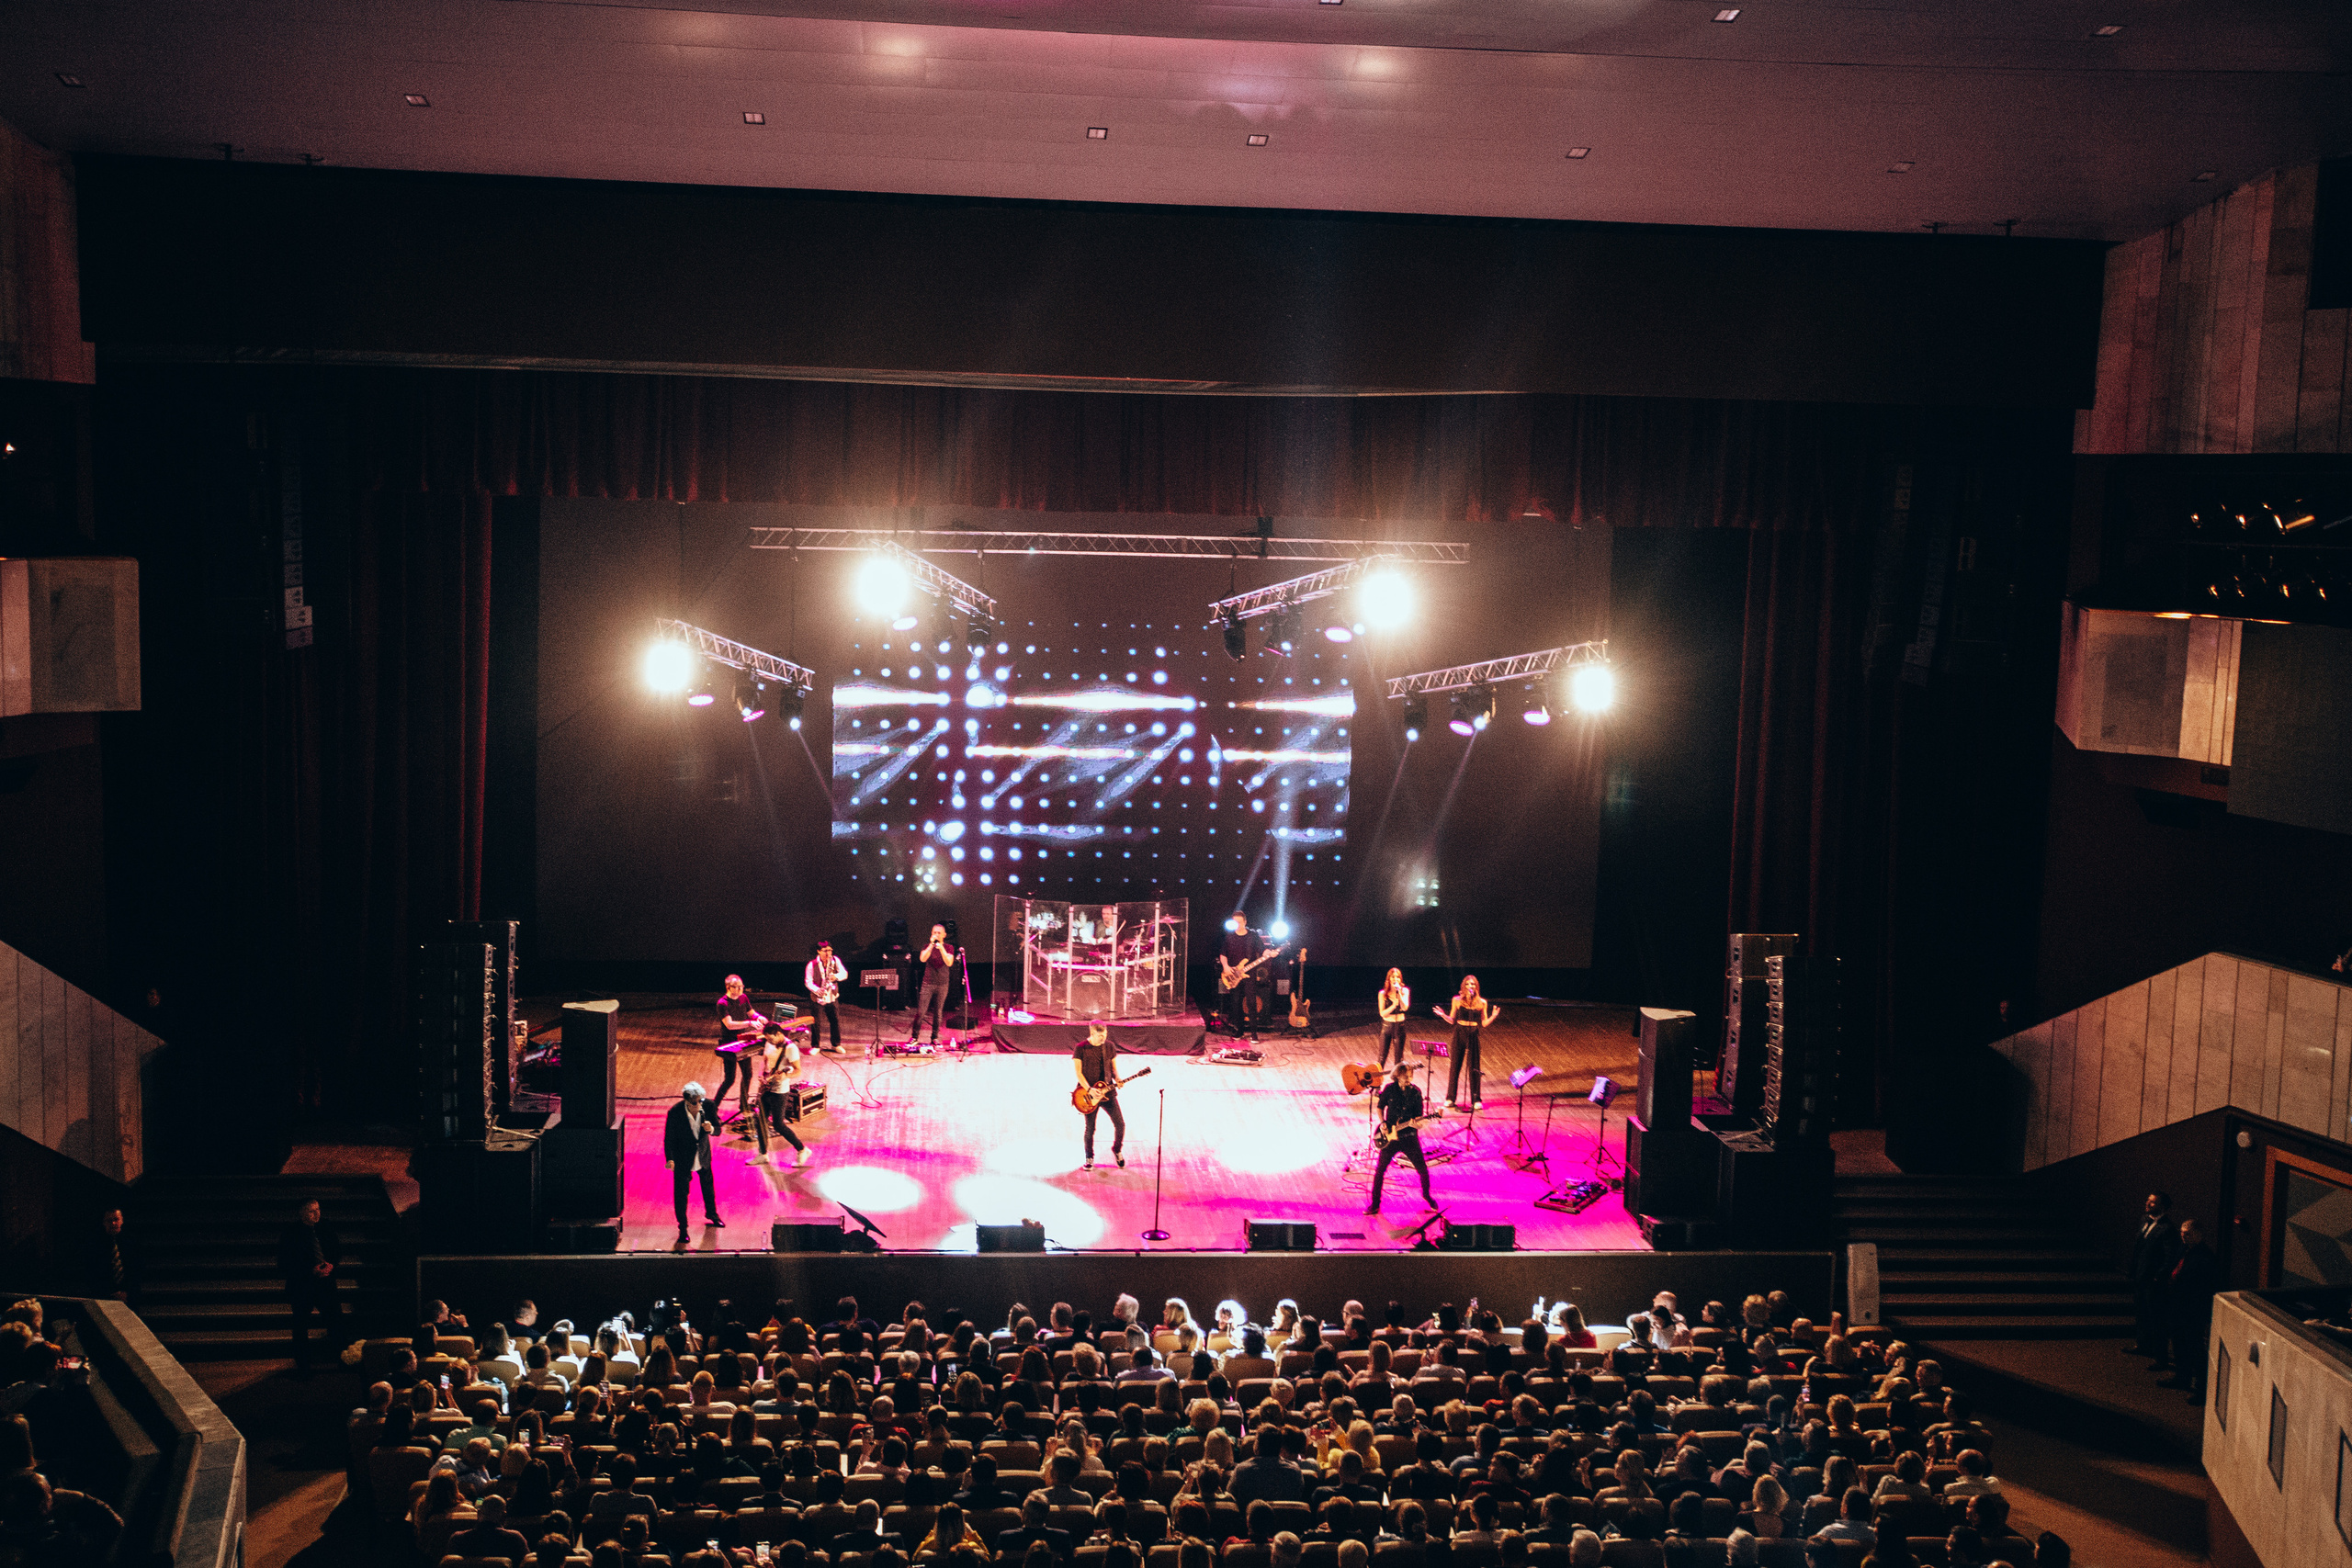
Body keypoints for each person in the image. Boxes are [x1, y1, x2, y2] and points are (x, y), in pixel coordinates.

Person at [275, 1198, 343, 1377]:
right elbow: (284, 1262)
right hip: (302, 1285)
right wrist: (309, 1270)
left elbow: (336, 1250)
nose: (316, 1214)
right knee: (301, 1326)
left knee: (335, 1322)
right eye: (312, 1211)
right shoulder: (291, 1233)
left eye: (318, 1209)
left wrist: (331, 1265)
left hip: (325, 1284)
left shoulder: (325, 1228)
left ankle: (340, 1360)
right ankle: (304, 1366)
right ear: (302, 1213)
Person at [1364, 1064, 1437, 1217]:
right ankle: (1375, 1204)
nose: (1409, 1079)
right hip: (1390, 1138)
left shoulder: (1416, 1092)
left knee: (1423, 1170)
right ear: (1397, 1076)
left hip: (1409, 1138)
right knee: (1380, 1171)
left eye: (1411, 1076)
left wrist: (1417, 1123)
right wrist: (1383, 1122)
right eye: (1406, 1077)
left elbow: (1418, 1117)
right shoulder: (1390, 1089)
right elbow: (1380, 1106)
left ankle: (1427, 1195)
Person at [2163, 1218, 2222, 1397]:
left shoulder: (2205, 1257)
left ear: (2198, 1234)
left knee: (2195, 1348)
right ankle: (2182, 1377)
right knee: (2179, 1343)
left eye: (2187, 1233)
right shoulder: (2184, 1250)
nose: (2183, 1236)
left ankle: (2200, 1387)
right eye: (2181, 1232)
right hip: (2178, 1306)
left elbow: (2204, 1287)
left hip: (2192, 1309)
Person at [665, 1082, 725, 1247]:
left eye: (701, 1100)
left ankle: (712, 1215)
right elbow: (668, 1138)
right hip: (683, 1159)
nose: (699, 1104)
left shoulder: (709, 1106)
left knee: (708, 1187)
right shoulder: (675, 1113)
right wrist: (669, 1159)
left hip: (703, 1156)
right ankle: (683, 1229)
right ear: (687, 1101)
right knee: (681, 1194)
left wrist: (711, 1129)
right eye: (695, 1102)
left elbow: (718, 1130)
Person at [2128, 1190, 2177, 1362]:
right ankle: (2143, 1345)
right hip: (2141, 1277)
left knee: (2155, 1317)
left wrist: (2159, 1277)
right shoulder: (2144, 1220)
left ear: (2162, 1206)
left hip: (2153, 1281)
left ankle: (2159, 1355)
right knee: (2141, 1312)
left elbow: (2170, 1256)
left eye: (2153, 1202)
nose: (2148, 1204)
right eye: (2148, 1200)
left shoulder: (2168, 1228)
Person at [752, 1025, 812, 1168]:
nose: (770, 1042)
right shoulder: (769, 1042)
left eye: (771, 1038)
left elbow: (797, 1071)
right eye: (768, 1039)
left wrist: (786, 1075)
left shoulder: (790, 1048)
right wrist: (762, 1075)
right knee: (760, 1121)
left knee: (779, 1125)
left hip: (780, 1091)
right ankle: (763, 1154)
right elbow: (765, 1061)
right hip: (767, 1088)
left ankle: (802, 1149)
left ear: (779, 1034)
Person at [1434, 976, 1498, 1110]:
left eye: (1473, 984)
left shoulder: (1482, 1002)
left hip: (1473, 1033)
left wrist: (1493, 1016)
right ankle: (1450, 1098)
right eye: (1468, 984)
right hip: (1459, 1032)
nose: (1471, 986)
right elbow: (1452, 1020)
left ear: (1476, 987)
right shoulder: (1457, 1000)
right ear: (1464, 986)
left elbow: (1484, 1023)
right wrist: (1443, 1015)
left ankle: (1476, 1099)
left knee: (1474, 1067)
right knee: (1455, 1066)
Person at [1072, 1020, 1126, 1171]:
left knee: (1120, 1124)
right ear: (1092, 1033)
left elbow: (1113, 1068)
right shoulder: (1080, 1048)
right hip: (1089, 1094)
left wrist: (1118, 1078)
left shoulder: (1109, 1046)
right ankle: (1089, 1157)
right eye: (1099, 1036)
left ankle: (1117, 1149)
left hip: (1107, 1093)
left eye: (1104, 1035)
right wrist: (1089, 1089)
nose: (1103, 1038)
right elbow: (1078, 1073)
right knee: (1090, 1128)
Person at [714, 975, 767, 1122]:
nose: (740, 989)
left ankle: (743, 1105)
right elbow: (729, 1024)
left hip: (743, 1041)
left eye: (741, 986)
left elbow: (752, 1013)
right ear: (728, 987)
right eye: (737, 987)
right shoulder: (722, 1003)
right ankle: (713, 1108)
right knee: (729, 1079)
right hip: (729, 1044)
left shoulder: (743, 998)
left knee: (748, 1074)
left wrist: (759, 1017)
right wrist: (749, 1023)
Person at [910, 924, 958, 1044]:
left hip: (942, 984)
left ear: (944, 935)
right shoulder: (927, 946)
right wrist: (932, 945)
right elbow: (922, 959)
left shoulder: (949, 947)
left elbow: (949, 962)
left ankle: (934, 1038)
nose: (936, 934)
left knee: (938, 1013)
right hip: (928, 983)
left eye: (938, 933)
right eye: (934, 932)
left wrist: (940, 947)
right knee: (921, 1012)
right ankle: (914, 1037)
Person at [1218, 914, 1266, 1036]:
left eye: (1240, 922)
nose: (1238, 925)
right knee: (1236, 1003)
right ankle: (1239, 1031)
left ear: (1245, 922)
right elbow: (1223, 954)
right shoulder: (1229, 937)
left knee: (1251, 1002)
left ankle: (1254, 1033)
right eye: (1235, 922)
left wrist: (1270, 953)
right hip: (1233, 975)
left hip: (1249, 974)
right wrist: (1226, 967)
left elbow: (1262, 950)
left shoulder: (1253, 936)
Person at [805, 942, 849, 1054]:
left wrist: (836, 977)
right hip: (817, 996)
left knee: (835, 1020)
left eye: (830, 950)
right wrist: (817, 990)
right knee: (816, 1022)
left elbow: (844, 973)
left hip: (831, 995)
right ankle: (815, 1046)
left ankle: (836, 1044)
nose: (828, 953)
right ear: (819, 951)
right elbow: (808, 982)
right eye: (825, 951)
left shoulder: (835, 960)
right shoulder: (812, 964)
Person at [85, 1208, 134, 1303]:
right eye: (109, 1220)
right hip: (104, 1296)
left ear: (122, 1221)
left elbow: (136, 1269)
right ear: (104, 1223)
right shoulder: (95, 1245)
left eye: (116, 1219)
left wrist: (126, 1292)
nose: (113, 1223)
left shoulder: (131, 1243)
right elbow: (92, 1271)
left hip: (128, 1296)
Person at [1375, 969, 1412, 1068]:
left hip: (1400, 1026)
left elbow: (1405, 1008)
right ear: (1388, 979)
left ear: (1400, 979)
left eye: (1397, 977)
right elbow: (1383, 1013)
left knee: (1399, 1058)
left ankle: (1397, 1083)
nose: (1395, 979)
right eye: (1393, 977)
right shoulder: (1383, 993)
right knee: (1382, 1056)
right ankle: (1376, 1083)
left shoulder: (1405, 991)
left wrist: (1399, 993)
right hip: (1387, 1026)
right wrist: (1393, 1006)